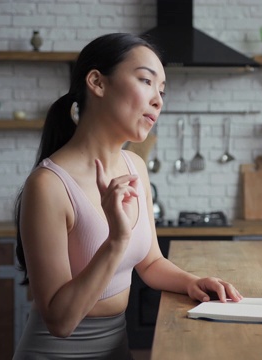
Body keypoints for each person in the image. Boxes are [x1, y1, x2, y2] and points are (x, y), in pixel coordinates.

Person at [12, 33, 242, 359]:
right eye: (146, 81)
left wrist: (192, 282)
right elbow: (60, 321)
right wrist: (115, 240)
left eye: (162, 90)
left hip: (117, 349)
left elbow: (150, 262)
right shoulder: (49, 185)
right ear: (97, 82)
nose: (159, 100)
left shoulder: (134, 164)